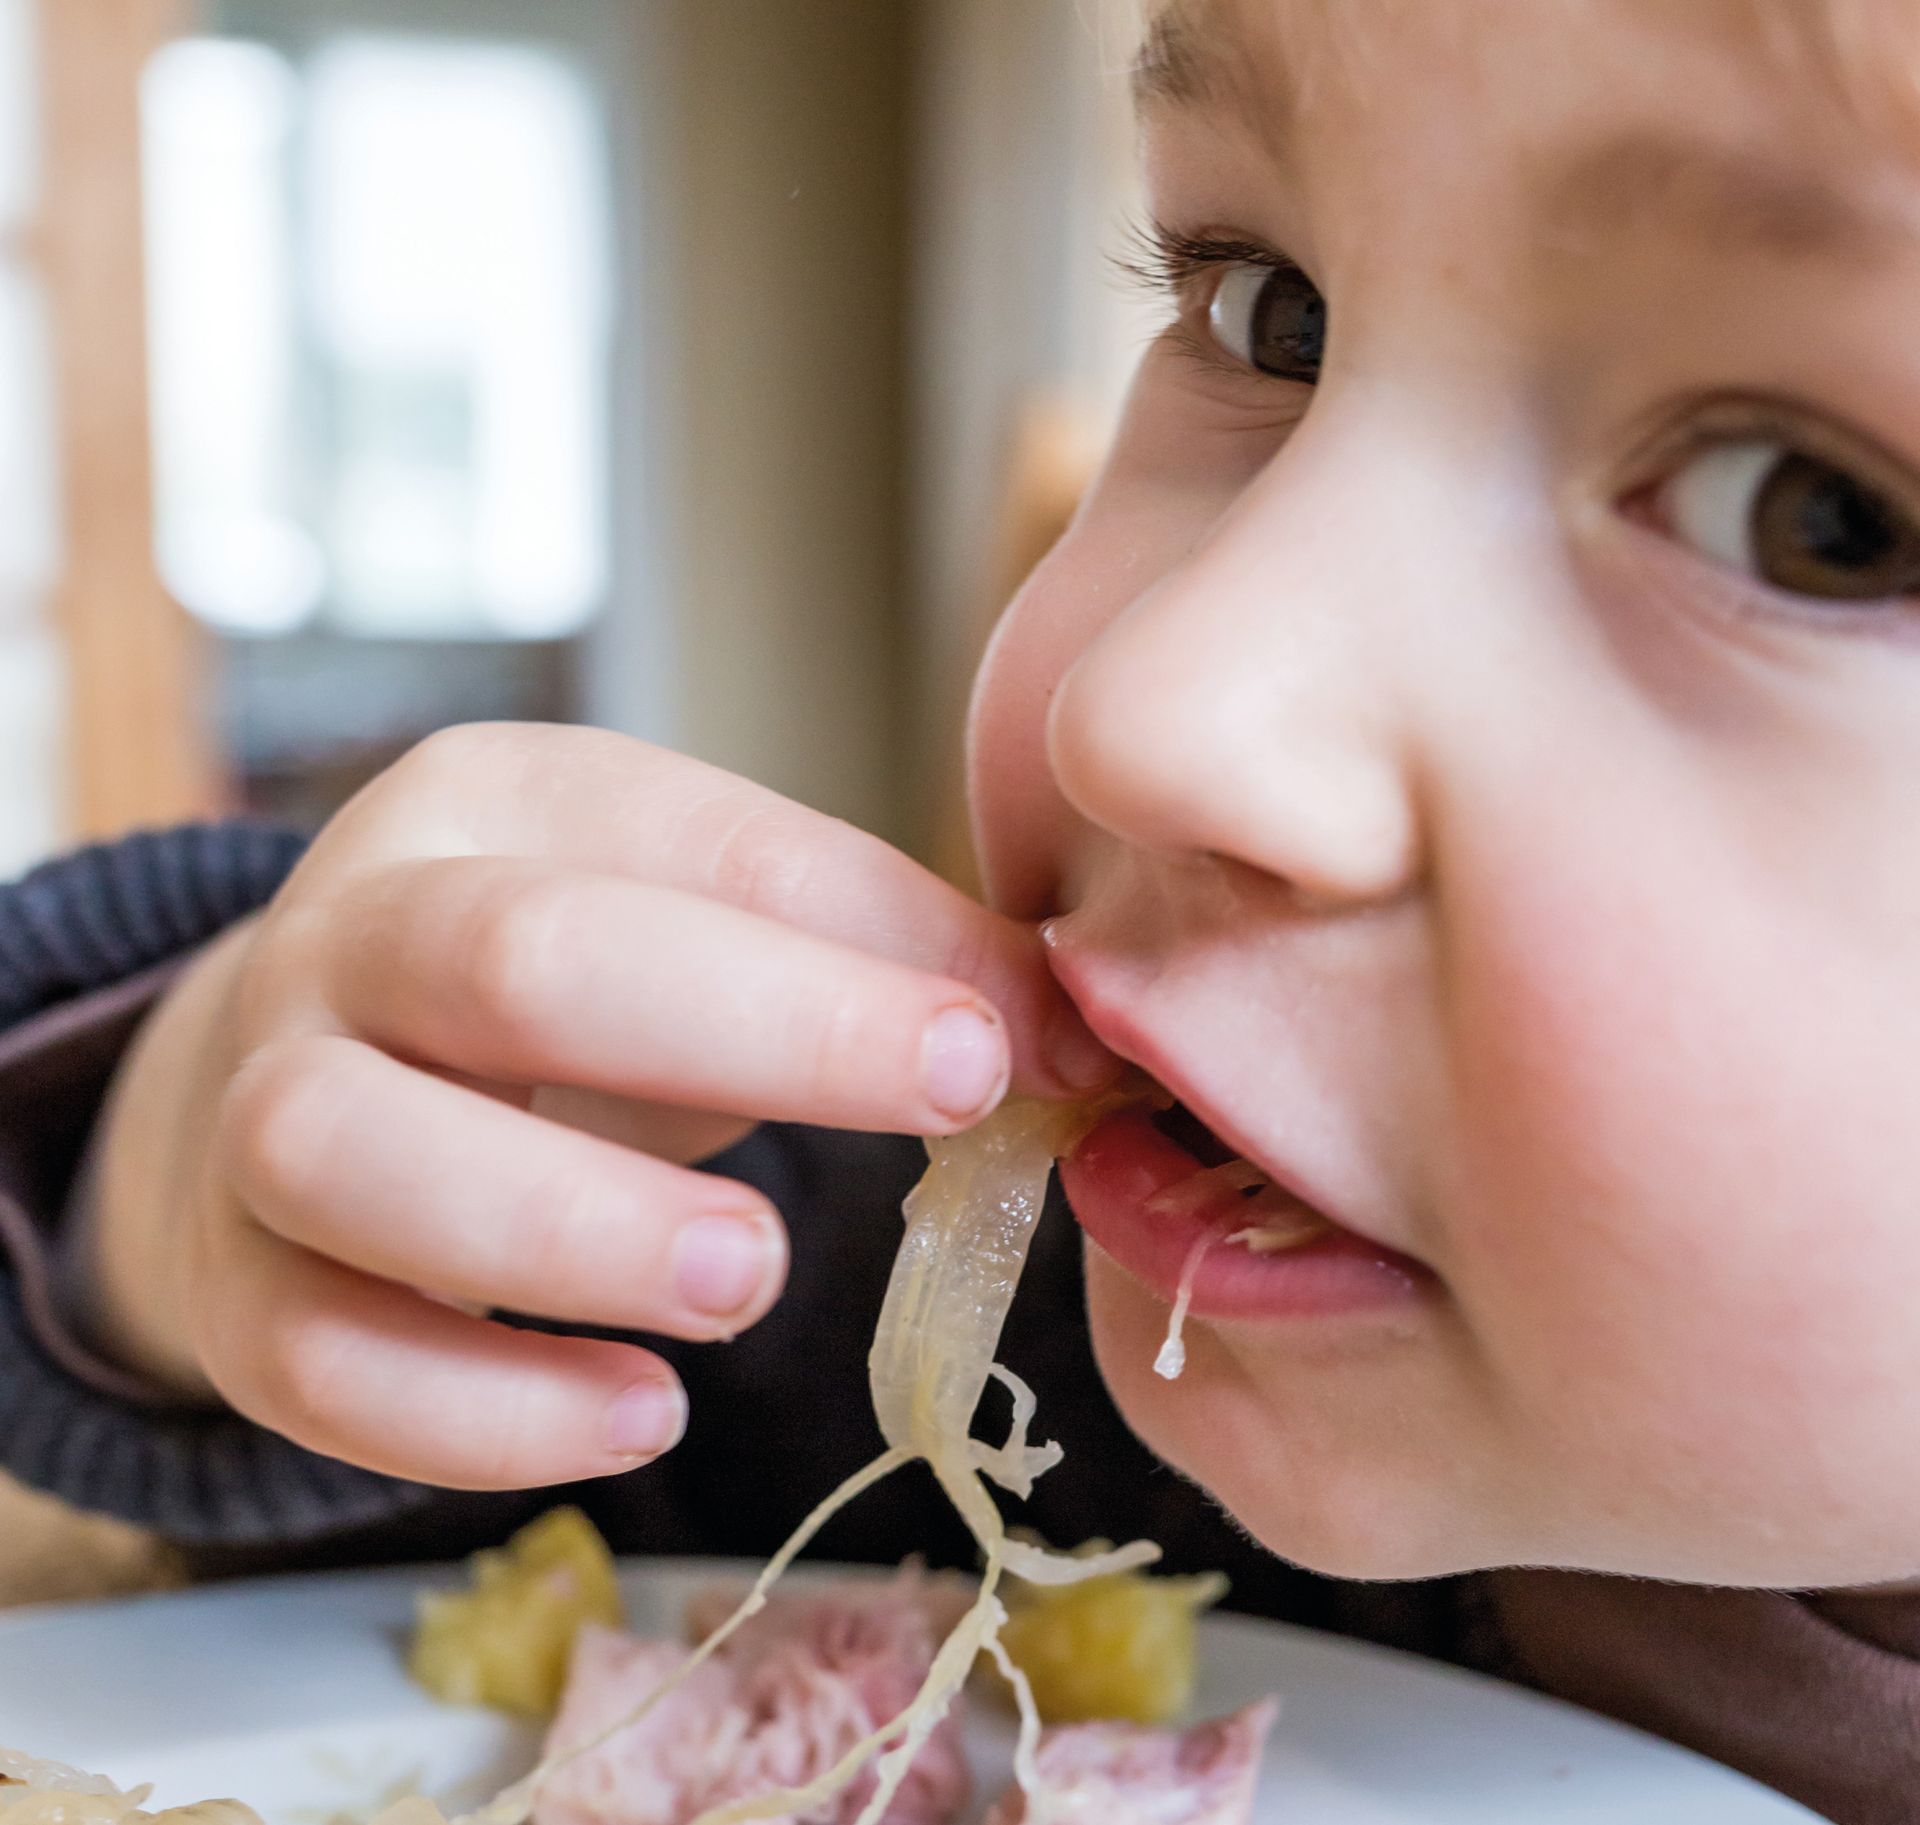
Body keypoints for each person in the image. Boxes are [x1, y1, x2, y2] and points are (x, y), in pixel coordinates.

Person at [5, 1, 1920, 1817]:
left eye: (1815, 511)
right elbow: (420, 1351)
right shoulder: (1022, 1328)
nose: (1152, 705)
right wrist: (174, 1177)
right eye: (1273, 313)